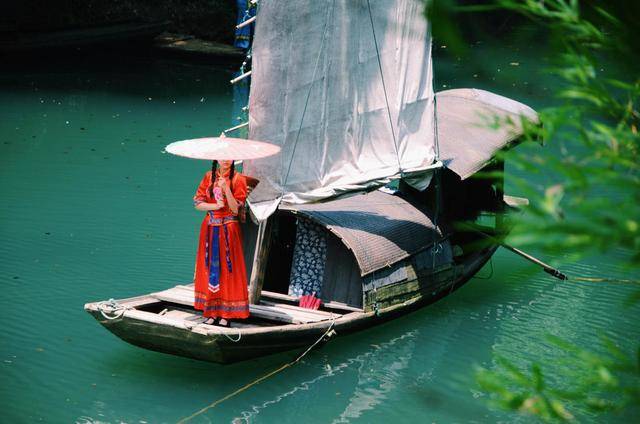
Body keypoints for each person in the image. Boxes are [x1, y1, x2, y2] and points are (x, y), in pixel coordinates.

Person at [192, 160, 249, 326]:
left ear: (233, 159)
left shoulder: (239, 179)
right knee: (209, 269)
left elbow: (235, 208)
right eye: (222, 156)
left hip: (229, 227)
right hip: (210, 227)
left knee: (229, 270)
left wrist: (226, 189)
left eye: (228, 156)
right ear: (216, 158)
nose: (225, 160)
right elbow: (197, 203)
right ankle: (211, 311)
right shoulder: (209, 177)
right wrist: (214, 205)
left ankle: (227, 314)